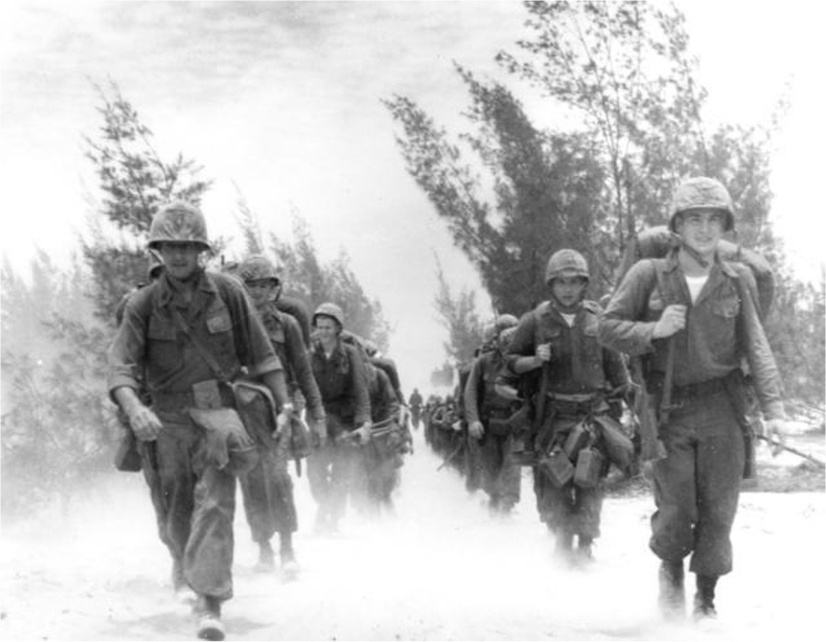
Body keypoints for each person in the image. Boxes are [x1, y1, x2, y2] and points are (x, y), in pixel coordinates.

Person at [598, 176, 786, 620]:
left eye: (714, 220)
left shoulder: (736, 279)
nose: (704, 229)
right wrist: (652, 330)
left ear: (725, 227)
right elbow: (605, 327)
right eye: (694, 219)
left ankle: (706, 600)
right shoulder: (648, 275)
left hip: (724, 408)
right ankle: (670, 579)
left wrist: (774, 409)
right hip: (669, 411)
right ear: (677, 226)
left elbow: (756, 345)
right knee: (677, 508)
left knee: (720, 510)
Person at [107, 201, 293, 641]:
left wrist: (285, 408)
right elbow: (119, 367)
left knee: (215, 505)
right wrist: (135, 408)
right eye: (168, 247)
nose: (177, 255)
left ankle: (210, 603)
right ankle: (180, 562)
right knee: (174, 509)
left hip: (217, 417)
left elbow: (264, 357)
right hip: (164, 420)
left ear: (201, 250)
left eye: (186, 247)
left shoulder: (228, 293)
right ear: (157, 251)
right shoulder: (144, 304)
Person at [506, 249, 629, 564]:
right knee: (555, 481)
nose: (568, 288)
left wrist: (628, 403)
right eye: (561, 282)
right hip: (553, 418)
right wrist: (535, 359)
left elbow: (617, 372)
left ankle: (586, 544)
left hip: (594, 417)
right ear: (551, 284)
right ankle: (562, 542)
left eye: (575, 281)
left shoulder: (598, 319)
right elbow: (510, 364)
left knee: (590, 481)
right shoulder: (534, 321)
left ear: (584, 283)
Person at [236, 255, 326, 573]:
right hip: (243, 410)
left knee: (277, 477)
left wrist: (317, 415)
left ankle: (287, 548)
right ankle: (263, 548)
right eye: (251, 286)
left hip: (280, 409)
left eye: (265, 285)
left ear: (274, 288)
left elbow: (304, 372)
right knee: (250, 480)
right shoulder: (232, 326)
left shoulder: (286, 325)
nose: (258, 292)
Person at [307, 302, 372, 533]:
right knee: (315, 475)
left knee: (341, 474)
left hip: (345, 420)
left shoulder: (351, 353)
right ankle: (324, 509)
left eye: (328, 327)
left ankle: (331, 521)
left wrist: (365, 422)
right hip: (317, 420)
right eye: (319, 326)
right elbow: (302, 386)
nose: (322, 331)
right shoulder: (309, 353)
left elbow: (361, 390)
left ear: (337, 329)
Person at [464, 315, 523, 515]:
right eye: (503, 335)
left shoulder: (523, 362)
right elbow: (470, 392)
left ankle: (507, 507)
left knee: (512, 465)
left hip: (515, 422)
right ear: (495, 338)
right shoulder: (483, 362)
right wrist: (473, 420)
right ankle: (494, 500)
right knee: (491, 467)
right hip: (488, 423)